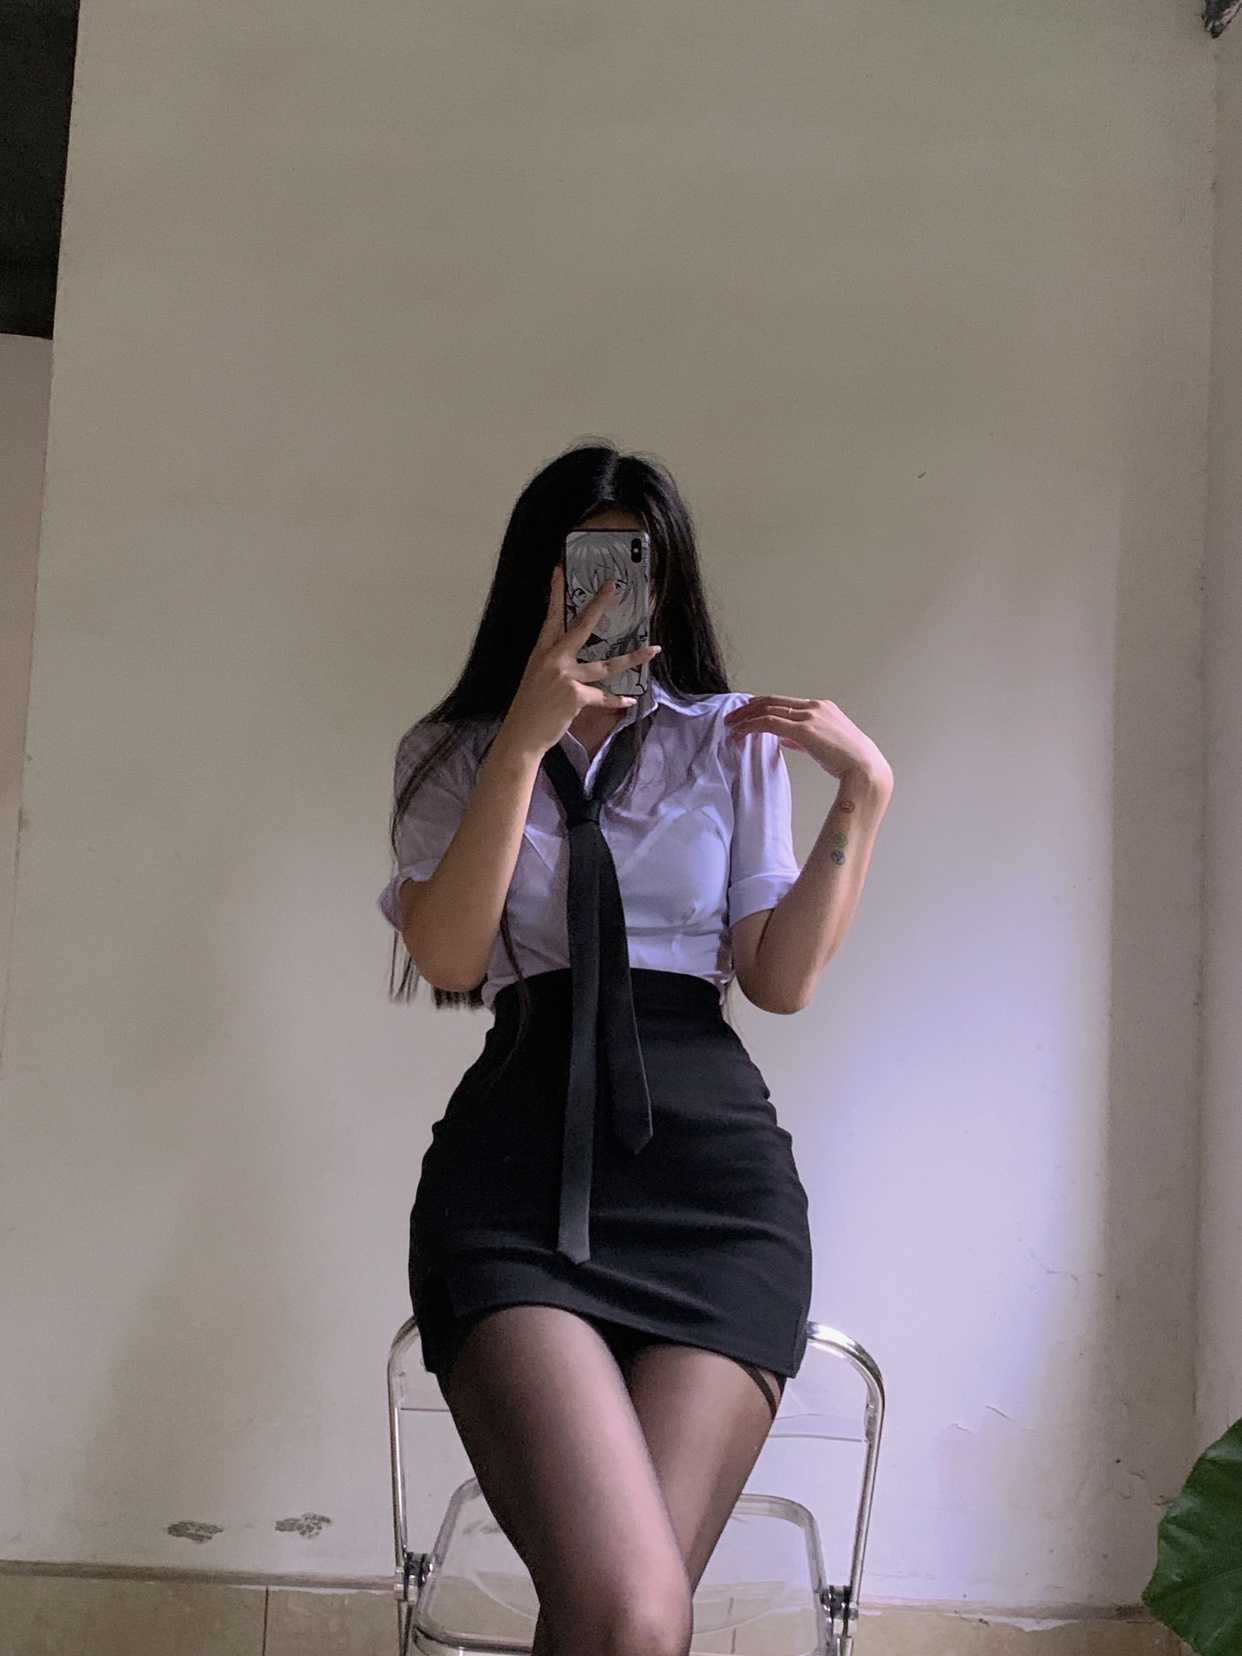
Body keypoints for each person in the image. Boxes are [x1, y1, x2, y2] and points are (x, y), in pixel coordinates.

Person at [378, 443, 893, 1656]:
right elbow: (449, 958)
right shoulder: (450, 753)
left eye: (633, 566)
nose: (608, 594)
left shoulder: (731, 742)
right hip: (515, 1191)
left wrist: (862, 795)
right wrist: (524, 741)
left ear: (667, 582)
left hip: (716, 1205)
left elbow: (779, 980)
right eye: (584, 567)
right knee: (629, 1609)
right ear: (538, 579)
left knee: (627, 1621)